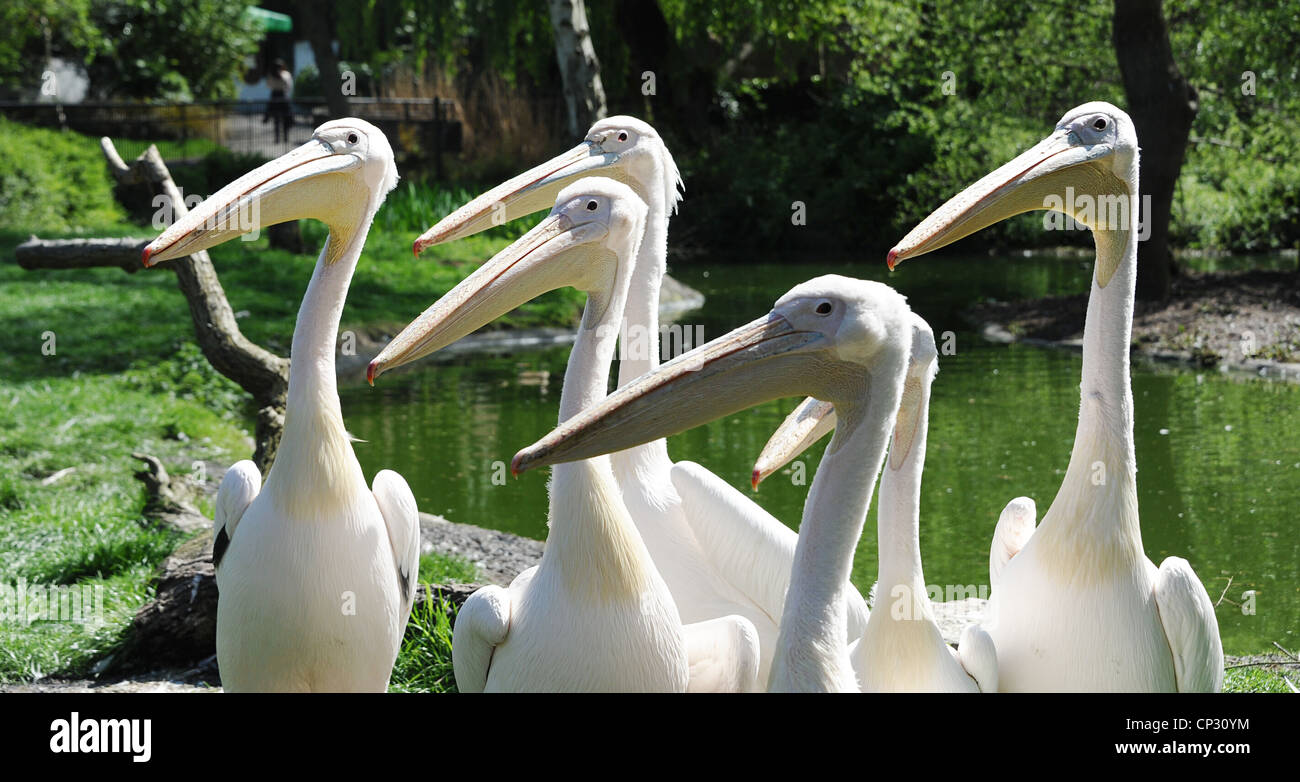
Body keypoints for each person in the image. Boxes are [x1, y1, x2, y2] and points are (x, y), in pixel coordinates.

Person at [265, 59, 294, 144]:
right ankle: (284, 138)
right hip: (282, 96)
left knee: (277, 118)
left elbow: (268, 85)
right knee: (283, 117)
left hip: (275, 96)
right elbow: (289, 86)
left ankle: (278, 138)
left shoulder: (271, 75)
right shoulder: (286, 74)